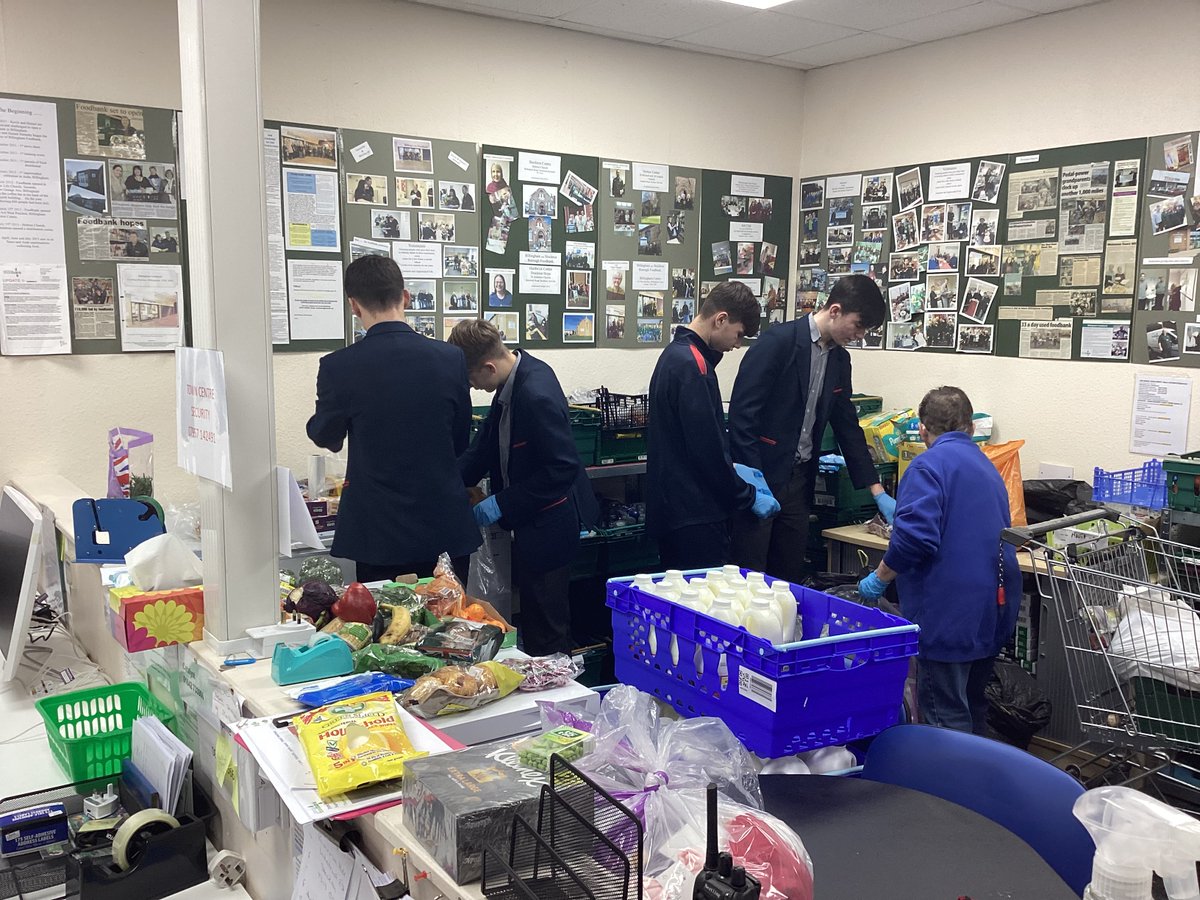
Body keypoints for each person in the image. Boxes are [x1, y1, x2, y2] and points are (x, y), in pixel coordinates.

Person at [307, 255, 481, 584]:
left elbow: (326, 436)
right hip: (444, 524)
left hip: (378, 533)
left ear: (354, 306)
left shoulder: (339, 367)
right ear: (405, 297)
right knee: (451, 627)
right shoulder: (450, 359)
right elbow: (459, 441)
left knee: (385, 631)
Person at [857, 387, 1020, 735]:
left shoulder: (927, 466)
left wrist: (879, 578)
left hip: (949, 615)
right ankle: (975, 787)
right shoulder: (988, 467)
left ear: (923, 429)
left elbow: (915, 540)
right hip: (991, 610)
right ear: (970, 428)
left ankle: (945, 789)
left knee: (943, 721)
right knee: (972, 710)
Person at [729, 274, 893, 584]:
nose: (859, 336)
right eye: (858, 326)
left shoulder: (840, 361)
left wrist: (878, 491)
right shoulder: (778, 342)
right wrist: (753, 481)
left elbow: (847, 427)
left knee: (787, 577)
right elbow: (742, 415)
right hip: (760, 476)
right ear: (835, 310)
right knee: (748, 577)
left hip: (800, 483)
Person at [449, 319, 597, 656]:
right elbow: (485, 445)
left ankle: (558, 696)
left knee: (547, 628)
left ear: (488, 366)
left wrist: (501, 503)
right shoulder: (510, 380)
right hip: (530, 521)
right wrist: (448, 482)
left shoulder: (536, 392)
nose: (472, 386)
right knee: (531, 619)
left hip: (550, 526)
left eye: (472, 378)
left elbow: (561, 469)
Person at [647, 281, 780, 569]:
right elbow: (707, 452)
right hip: (695, 516)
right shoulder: (694, 366)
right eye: (739, 334)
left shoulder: (674, 355)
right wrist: (747, 495)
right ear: (720, 319)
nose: (737, 344)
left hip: (675, 510)